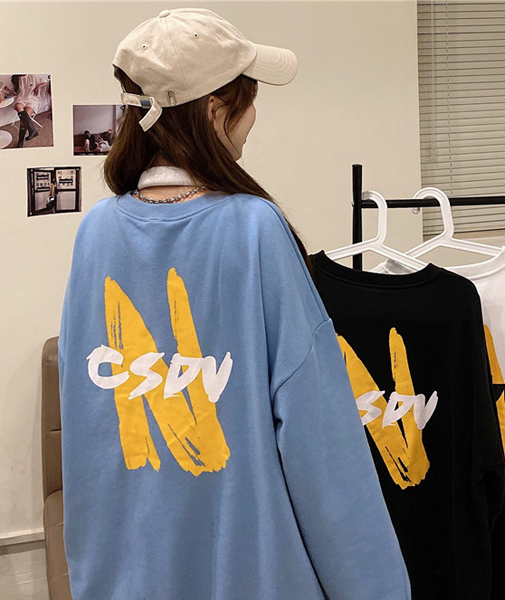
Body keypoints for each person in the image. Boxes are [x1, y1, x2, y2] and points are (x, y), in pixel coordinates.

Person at [58, 8, 411, 600]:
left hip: (129, 578)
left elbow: (89, 432)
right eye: (249, 101)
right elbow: (321, 443)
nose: (253, 120)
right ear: (217, 111)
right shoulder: (254, 228)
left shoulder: (95, 232)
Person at [6, 74, 46, 147]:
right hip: (21, 99)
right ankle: (32, 130)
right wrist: (9, 91)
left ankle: (20, 142)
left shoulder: (32, 76)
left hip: (32, 99)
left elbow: (44, 82)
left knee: (24, 119)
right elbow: (16, 93)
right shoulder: (15, 78)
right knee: (18, 106)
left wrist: (38, 86)